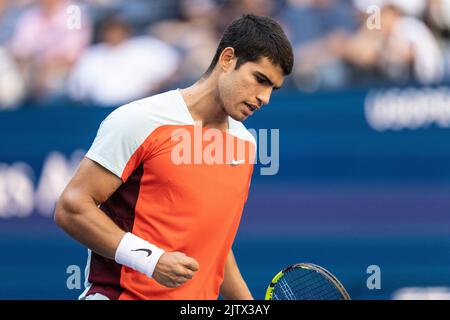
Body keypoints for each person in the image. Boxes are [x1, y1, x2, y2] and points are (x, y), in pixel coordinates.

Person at [54, 14, 293, 300]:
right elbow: (71, 207)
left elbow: (216, 245)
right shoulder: (140, 120)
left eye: (272, 89)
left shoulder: (245, 145)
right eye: (260, 79)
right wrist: (150, 259)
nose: (264, 97)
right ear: (227, 59)